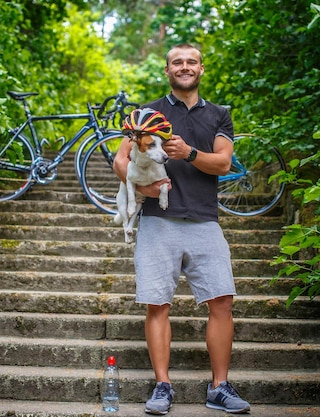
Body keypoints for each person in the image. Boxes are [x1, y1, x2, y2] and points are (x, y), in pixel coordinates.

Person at [113, 43, 251, 415]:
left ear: (201, 69)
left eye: (191, 62)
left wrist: (188, 152)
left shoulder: (220, 115)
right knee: (157, 303)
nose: (184, 67)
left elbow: (223, 163)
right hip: (159, 222)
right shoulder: (146, 113)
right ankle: (162, 386)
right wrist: (142, 189)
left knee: (221, 300)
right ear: (167, 69)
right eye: (177, 62)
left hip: (205, 220)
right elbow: (120, 160)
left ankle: (219, 387)